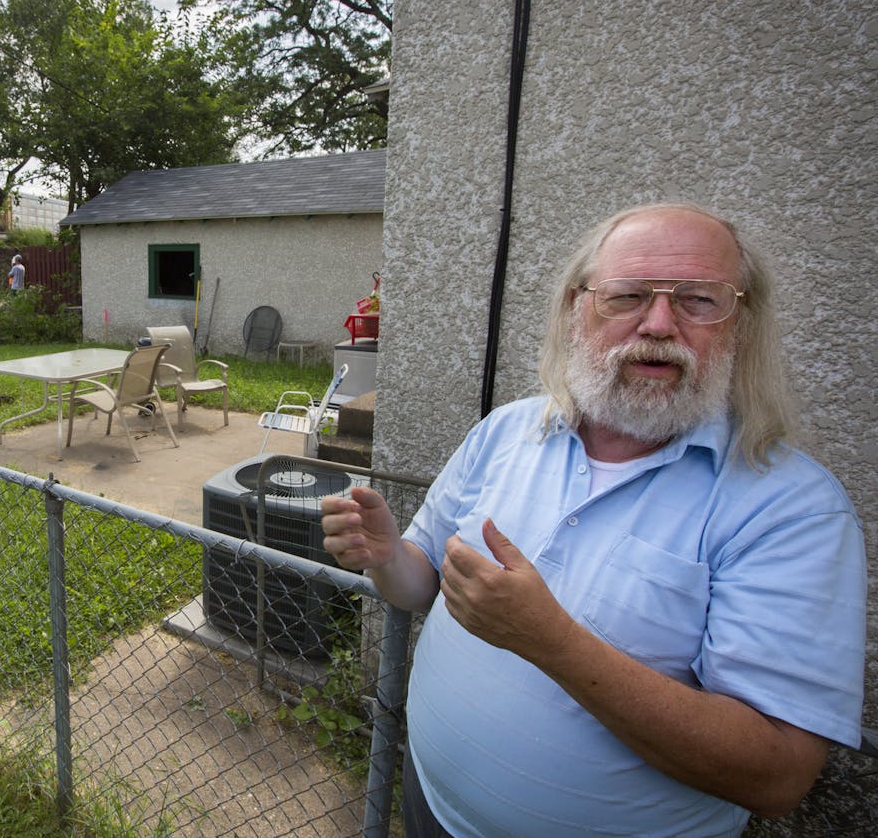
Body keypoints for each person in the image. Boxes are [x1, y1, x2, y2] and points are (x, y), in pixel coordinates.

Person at [321, 203, 864, 838]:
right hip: (430, 808)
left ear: (741, 323)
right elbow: (423, 585)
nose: (659, 324)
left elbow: (776, 777)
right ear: (577, 308)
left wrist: (550, 640)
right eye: (628, 296)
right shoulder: (505, 432)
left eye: (698, 300)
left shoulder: (790, 508)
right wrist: (388, 557)